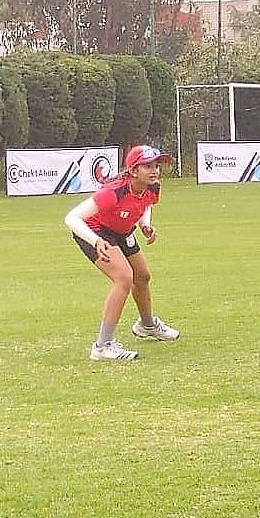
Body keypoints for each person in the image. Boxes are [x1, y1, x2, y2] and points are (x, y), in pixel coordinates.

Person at [64, 145, 181, 361]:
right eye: (147, 166)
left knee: (142, 276)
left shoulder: (152, 186)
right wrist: (95, 240)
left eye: (156, 165)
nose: (155, 170)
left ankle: (146, 325)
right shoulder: (114, 191)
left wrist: (145, 224)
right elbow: (71, 218)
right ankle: (102, 346)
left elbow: (145, 205)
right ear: (134, 171)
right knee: (124, 278)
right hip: (94, 231)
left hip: (122, 230)